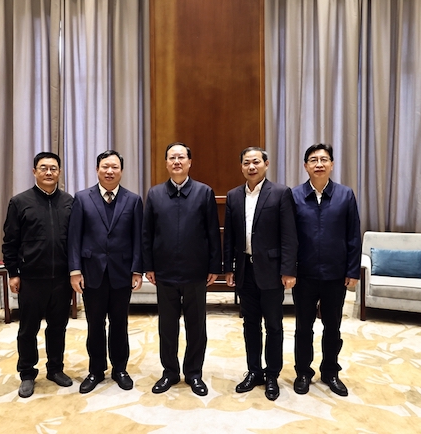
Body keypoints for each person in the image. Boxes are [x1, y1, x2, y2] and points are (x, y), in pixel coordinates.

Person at [142, 142, 222, 397]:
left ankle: (194, 373)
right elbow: (147, 234)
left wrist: (215, 266)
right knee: (167, 326)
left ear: (189, 162)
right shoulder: (155, 194)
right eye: (172, 157)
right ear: (166, 163)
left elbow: (212, 232)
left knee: (196, 326)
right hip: (164, 272)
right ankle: (170, 372)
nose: (176, 161)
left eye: (181, 157)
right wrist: (148, 265)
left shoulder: (204, 192)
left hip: (195, 272)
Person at [223, 147, 298, 401]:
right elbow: (230, 237)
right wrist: (229, 268)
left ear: (266, 164)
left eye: (256, 162)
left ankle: (272, 374)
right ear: (241, 167)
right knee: (250, 324)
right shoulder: (233, 196)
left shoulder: (280, 193)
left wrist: (288, 269)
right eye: (246, 163)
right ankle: (254, 371)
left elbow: (289, 235)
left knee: (274, 325)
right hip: (245, 270)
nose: (251, 167)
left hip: (272, 272)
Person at [67, 150, 143, 394]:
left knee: (120, 323)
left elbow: (138, 238)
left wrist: (137, 270)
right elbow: (74, 237)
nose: (109, 171)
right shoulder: (82, 198)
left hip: (122, 272)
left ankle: (120, 369)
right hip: (92, 272)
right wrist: (75, 270)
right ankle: (96, 370)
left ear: (121, 171)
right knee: (95, 323)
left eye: (114, 167)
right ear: (97, 169)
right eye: (105, 167)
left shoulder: (133, 200)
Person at [291, 143, 361, 397]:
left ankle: (330, 371)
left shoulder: (345, 195)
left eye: (324, 159)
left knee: (332, 327)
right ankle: (303, 372)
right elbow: (288, 238)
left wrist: (352, 271)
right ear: (305, 166)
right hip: (304, 275)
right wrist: (288, 270)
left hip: (335, 274)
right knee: (303, 327)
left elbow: (353, 236)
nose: (318, 164)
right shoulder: (294, 196)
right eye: (313, 160)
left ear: (332, 164)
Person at [2, 151, 74, 398]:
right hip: (31, 278)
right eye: (43, 168)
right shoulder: (19, 202)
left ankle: (55, 369)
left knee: (58, 327)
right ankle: (27, 373)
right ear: (34, 171)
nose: (48, 172)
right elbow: (10, 241)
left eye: (53, 168)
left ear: (59, 172)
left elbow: (75, 240)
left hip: (61, 278)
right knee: (28, 329)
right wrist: (13, 272)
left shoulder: (69, 202)